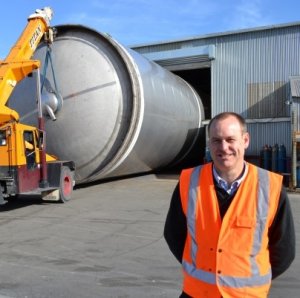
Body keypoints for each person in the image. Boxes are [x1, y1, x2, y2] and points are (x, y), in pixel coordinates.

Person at [164, 112, 295, 298]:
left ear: (245, 140)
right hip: (197, 293)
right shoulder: (189, 183)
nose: (224, 147)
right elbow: (174, 234)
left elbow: (284, 250)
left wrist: (245, 278)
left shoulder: (271, 187)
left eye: (230, 139)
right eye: (216, 140)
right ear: (209, 143)